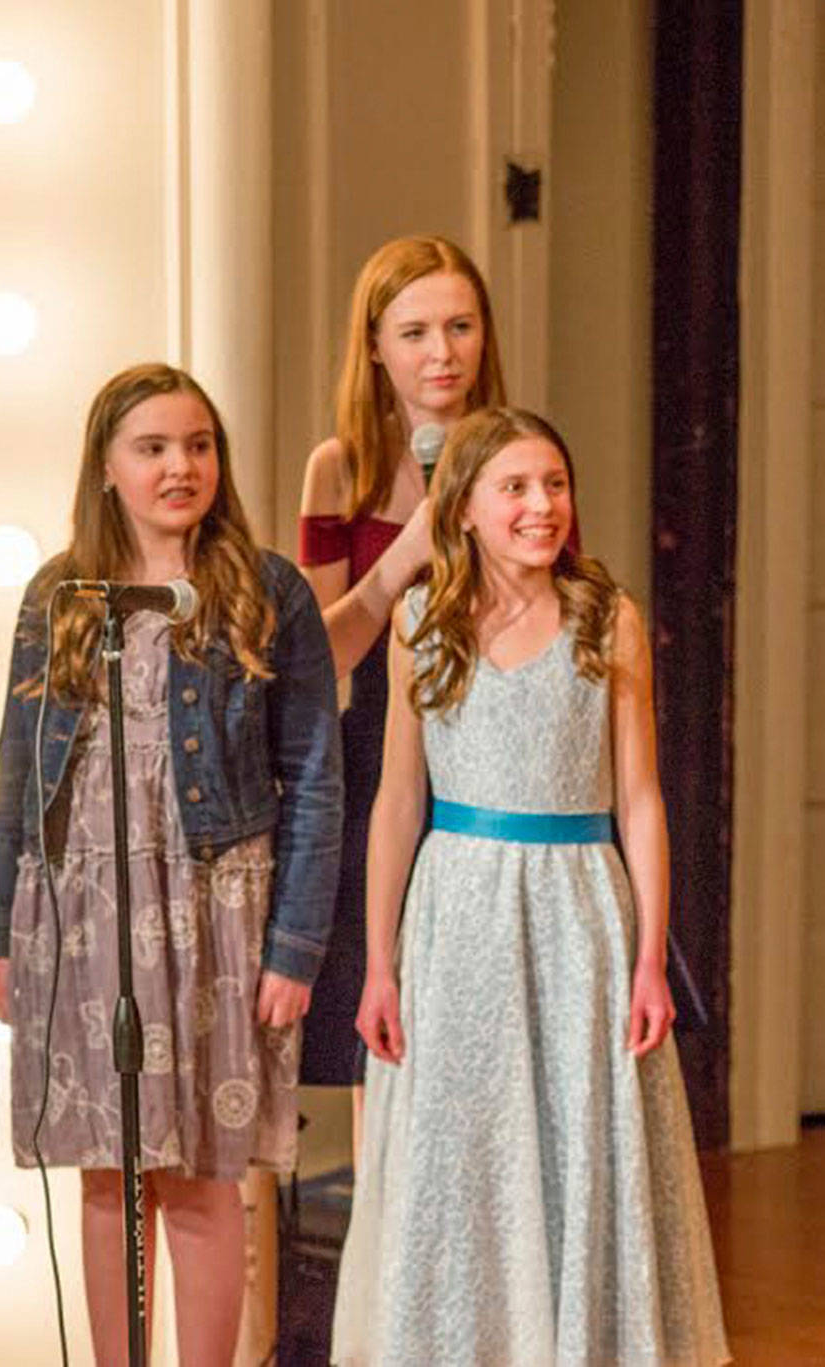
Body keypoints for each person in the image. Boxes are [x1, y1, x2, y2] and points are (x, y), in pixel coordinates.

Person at [330, 408, 728, 1366]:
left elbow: (639, 798)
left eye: (554, 484)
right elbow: (397, 801)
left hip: (576, 913)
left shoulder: (605, 618)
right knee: (466, 1152)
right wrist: (379, 964)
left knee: (573, 1140)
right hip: (458, 917)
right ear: (463, 507)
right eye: (514, 487)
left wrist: (648, 959)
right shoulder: (422, 623)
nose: (541, 505)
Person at [0, 363, 342, 1365]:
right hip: (83, 915)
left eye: (198, 445)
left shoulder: (266, 591)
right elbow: (16, 773)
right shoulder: (59, 596)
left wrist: (296, 944)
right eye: (153, 448)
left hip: (217, 910)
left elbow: (315, 775)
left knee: (201, 1173)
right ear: (107, 466)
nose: (181, 466)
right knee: (109, 1171)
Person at [296, 234, 506, 1094]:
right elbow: (318, 659)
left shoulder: (519, 459)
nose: (441, 353)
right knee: (379, 1032)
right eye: (415, 332)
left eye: (460, 326)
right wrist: (401, 561)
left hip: (493, 761)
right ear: (376, 347)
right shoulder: (339, 468)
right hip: (381, 755)